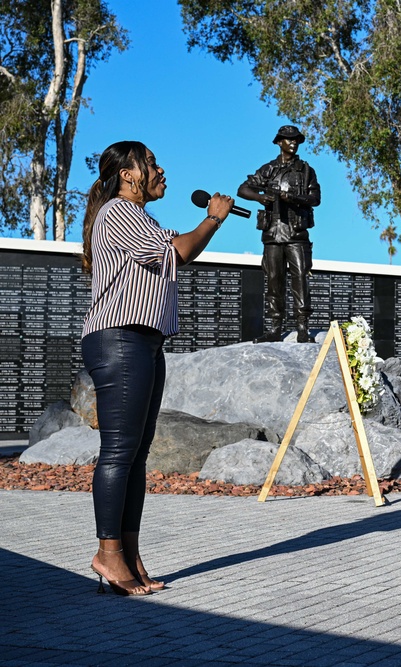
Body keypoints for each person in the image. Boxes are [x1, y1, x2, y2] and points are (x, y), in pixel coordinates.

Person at [81, 141, 234, 595]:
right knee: (119, 451)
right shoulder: (119, 212)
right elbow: (181, 252)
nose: (160, 168)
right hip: (121, 337)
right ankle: (108, 555)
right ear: (127, 174)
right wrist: (213, 217)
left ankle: (129, 554)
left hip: (144, 340)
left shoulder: (141, 217)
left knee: (135, 455)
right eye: (149, 162)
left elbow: (170, 251)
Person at [238, 125, 321, 343]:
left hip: (296, 233)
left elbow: (316, 199)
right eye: (288, 139)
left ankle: (303, 327)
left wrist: (292, 199)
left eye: (296, 140)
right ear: (279, 142)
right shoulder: (269, 169)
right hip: (273, 234)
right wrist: (260, 198)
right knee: (274, 280)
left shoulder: (306, 171)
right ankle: (275, 328)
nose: (293, 143)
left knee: (300, 278)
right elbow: (243, 189)